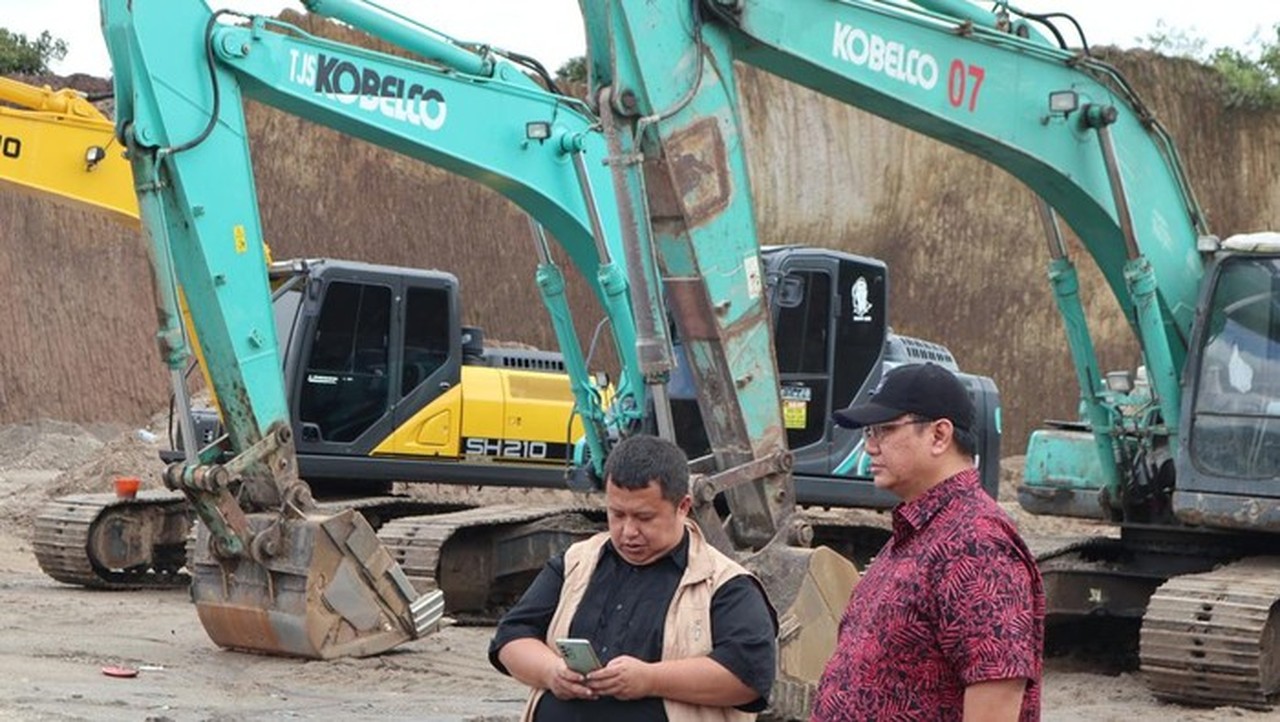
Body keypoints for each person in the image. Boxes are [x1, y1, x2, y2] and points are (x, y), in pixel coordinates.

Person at [812, 362, 1044, 722]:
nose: (870, 446)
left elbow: (996, 695)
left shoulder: (974, 543)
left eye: (884, 429)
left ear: (939, 435)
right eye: (868, 432)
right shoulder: (919, 535)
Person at [489, 434, 779, 722]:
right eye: (617, 514)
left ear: (683, 506)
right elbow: (512, 638)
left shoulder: (724, 583)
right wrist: (551, 673)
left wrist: (650, 679)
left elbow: (748, 676)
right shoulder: (576, 562)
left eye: (644, 518)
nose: (628, 532)